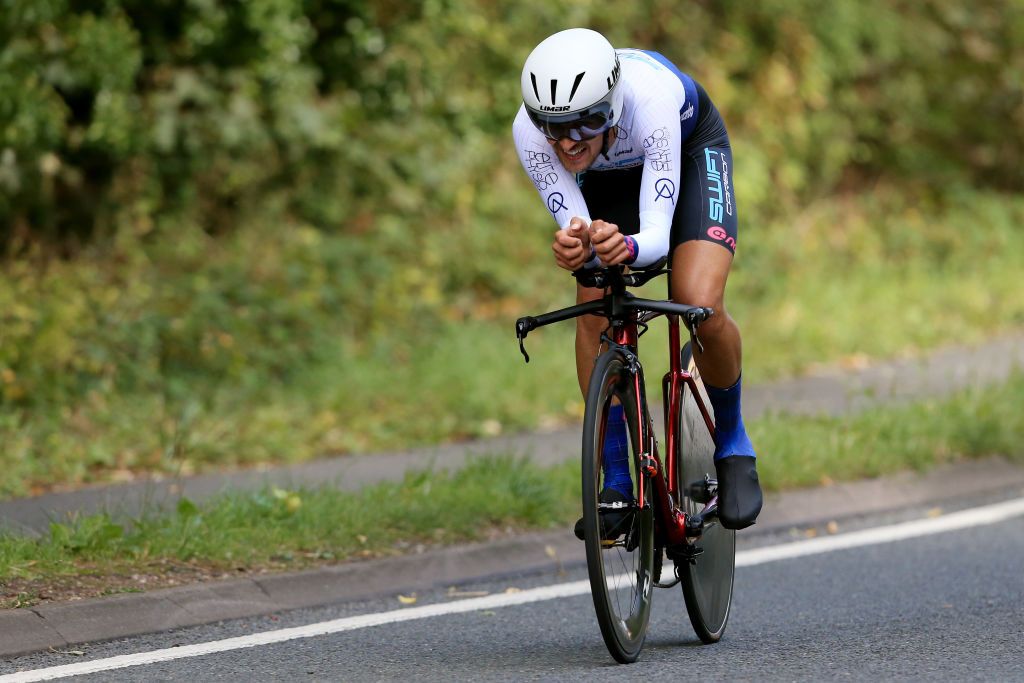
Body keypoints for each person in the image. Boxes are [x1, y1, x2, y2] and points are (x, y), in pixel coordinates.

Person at [512, 28, 762, 531]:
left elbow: (656, 232)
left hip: (689, 155)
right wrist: (578, 243)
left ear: (613, 106)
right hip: (609, 179)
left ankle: (734, 446)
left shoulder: (650, 103)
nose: (567, 142)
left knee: (699, 302)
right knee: (593, 310)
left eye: (586, 123)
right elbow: (575, 223)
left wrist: (623, 245)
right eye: (553, 127)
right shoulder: (529, 132)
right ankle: (617, 481)